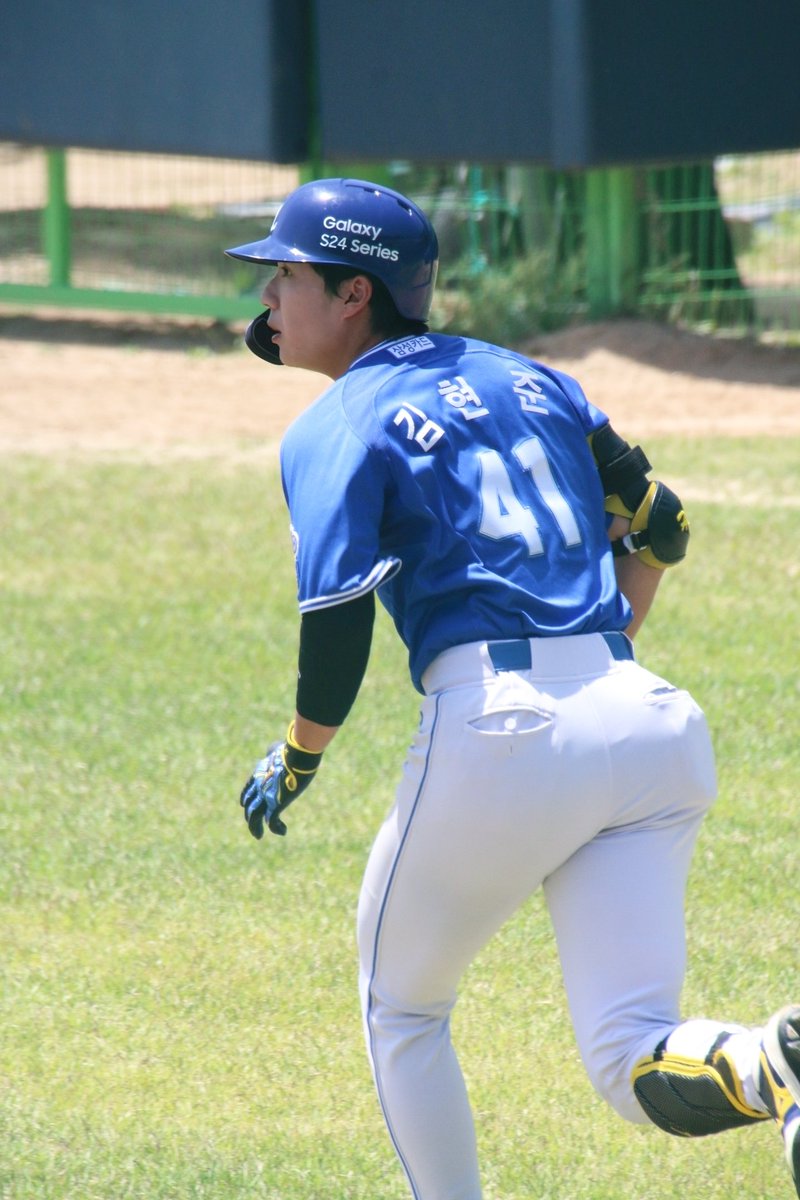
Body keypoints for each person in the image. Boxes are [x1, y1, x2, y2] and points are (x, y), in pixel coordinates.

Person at [226, 178, 800, 1200]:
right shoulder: (530, 376)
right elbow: (659, 522)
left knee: (401, 1009)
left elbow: (334, 625)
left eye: (286, 272)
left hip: (503, 729)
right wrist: (610, 633)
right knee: (632, 1061)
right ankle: (775, 1063)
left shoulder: (334, 424)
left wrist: (299, 754)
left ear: (353, 294)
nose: (268, 296)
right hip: (648, 723)